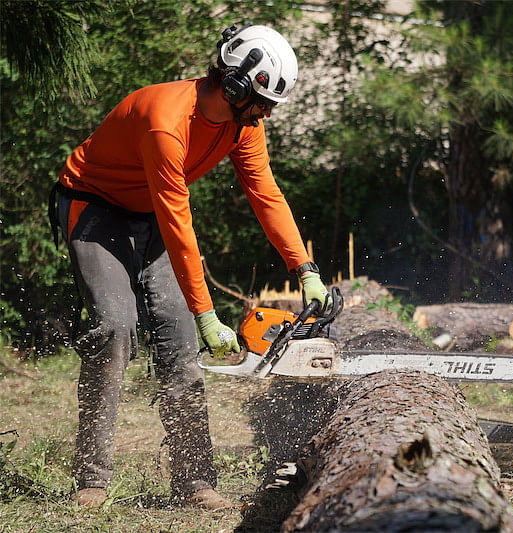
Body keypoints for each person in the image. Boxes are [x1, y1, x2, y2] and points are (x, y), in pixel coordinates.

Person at [48, 23, 330, 509]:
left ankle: (195, 481)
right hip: (95, 207)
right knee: (116, 327)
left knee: (179, 340)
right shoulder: (166, 119)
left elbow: (265, 194)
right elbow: (178, 218)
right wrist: (208, 313)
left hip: (151, 212)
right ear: (237, 85)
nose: (266, 115)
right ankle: (92, 478)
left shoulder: (243, 126)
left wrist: (304, 268)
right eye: (263, 102)